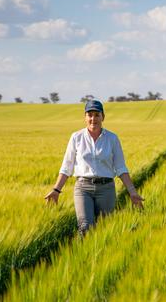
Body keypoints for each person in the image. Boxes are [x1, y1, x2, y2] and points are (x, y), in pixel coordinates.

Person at [44, 99, 144, 236]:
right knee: (85, 227)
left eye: (97, 114)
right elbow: (67, 167)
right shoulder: (76, 137)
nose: (93, 118)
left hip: (106, 189)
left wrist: (132, 192)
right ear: (85, 117)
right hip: (83, 188)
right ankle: (82, 256)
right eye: (90, 114)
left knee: (104, 229)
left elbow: (121, 168)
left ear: (103, 117)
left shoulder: (112, 138)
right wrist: (56, 190)